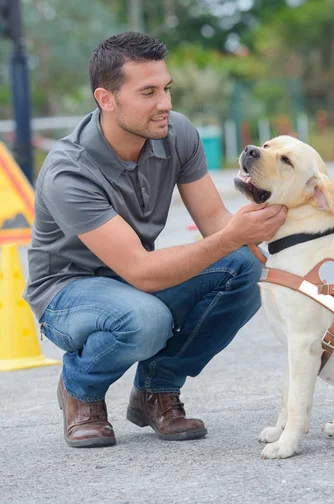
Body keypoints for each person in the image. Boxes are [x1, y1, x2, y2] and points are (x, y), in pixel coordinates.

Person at [24, 31, 287, 448]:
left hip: (131, 283)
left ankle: (156, 390)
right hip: (67, 293)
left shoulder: (176, 133)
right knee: (146, 319)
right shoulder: (68, 171)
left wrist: (292, 260)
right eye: (148, 92)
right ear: (106, 99)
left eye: (166, 89)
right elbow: (142, 272)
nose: (164, 103)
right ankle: (81, 391)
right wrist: (232, 236)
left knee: (246, 269)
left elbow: (217, 223)